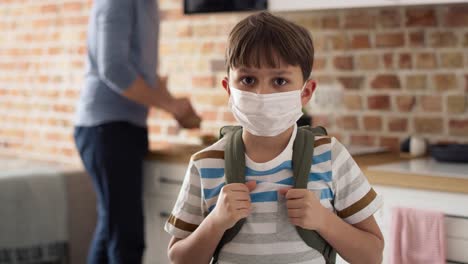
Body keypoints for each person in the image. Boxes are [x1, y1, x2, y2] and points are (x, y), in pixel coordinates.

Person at [164, 11, 384, 264]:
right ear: (228, 89)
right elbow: (180, 258)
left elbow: (372, 255)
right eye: (248, 80)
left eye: (279, 80)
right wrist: (215, 222)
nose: (261, 94)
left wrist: (324, 221)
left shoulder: (330, 157)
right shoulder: (206, 164)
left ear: (306, 92)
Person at [73, 0, 201, 263]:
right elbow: (114, 69)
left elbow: (142, 76)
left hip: (125, 129)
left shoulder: (148, 5)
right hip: (104, 129)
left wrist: (176, 107)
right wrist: (171, 105)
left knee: (113, 228)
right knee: (125, 235)